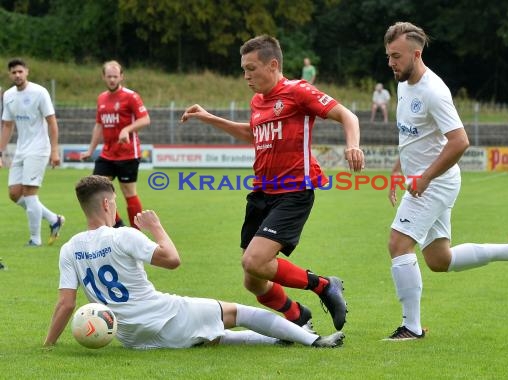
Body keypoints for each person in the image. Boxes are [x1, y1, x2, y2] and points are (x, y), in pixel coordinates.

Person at [180, 35, 364, 332]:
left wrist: (353, 145)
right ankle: (298, 317)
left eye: (251, 68)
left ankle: (326, 286)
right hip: (262, 193)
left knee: (254, 261)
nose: (246, 76)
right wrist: (207, 117)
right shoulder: (257, 101)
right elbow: (252, 134)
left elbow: (347, 115)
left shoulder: (298, 91)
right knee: (253, 279)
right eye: (243, 69)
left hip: (294, 191)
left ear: (273, 64)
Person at [43, 175, 344, 349]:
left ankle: (282, 340)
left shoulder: (70, 249)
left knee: (216, 336)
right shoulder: (123, 237)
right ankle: (315, 341)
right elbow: (173, 260)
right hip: (165, 314)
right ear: (108, 203)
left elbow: (66, 305)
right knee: (240, 312)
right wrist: (156, 227)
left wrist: (48, 346)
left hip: (131, 336)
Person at [383, 21, 508, 341]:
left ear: (417, 54)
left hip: (436, 183)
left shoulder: (434, 91)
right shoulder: (402, 84)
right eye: (388, 56)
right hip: (427, 181)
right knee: (439, 260)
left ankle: (411, 328)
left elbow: (459, 141)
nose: (391, 63)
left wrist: (426, 178)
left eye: (397, 56)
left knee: (398, 243)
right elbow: (411, 134)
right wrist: (397, 167)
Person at [0, 58, 65, 246]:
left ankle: (35, 240)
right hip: (21, 150)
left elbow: (52, 122)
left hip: (39, 149)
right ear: (9, 74)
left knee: (29, 193)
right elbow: (7, 126)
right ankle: (54, 219)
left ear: (27, 72)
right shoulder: (9, 95)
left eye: (20, 71)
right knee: (14, 193)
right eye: (13, 72)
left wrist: (54, 151)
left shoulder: (39, 92)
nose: (17, 75)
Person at [80, 60, 150, 229]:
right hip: (107, 154)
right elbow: (99, 125)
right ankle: (118, 227)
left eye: (115, 76)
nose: (112, 79)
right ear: (103, 77)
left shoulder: (131, 96)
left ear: (121, 77)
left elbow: (145, 119)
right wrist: (90, 149)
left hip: (128, 154)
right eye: (109, 76)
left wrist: (127, 129)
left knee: (128, 192)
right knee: (96, 189)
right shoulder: (101, 98)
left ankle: (136, 232)